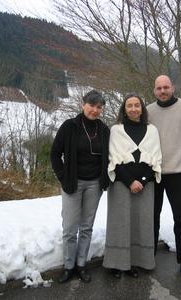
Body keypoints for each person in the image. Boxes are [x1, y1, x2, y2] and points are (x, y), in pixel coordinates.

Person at [50, 90, 110, 283]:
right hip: (73, 183)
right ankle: (68, 266)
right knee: (69, 228)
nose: (94, 110)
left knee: (86, 227)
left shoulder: (103, 130)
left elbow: (110, 156)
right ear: (83, 104)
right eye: (91, 105)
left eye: (98, 107)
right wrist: (63, 176)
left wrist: (105, 179)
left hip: (95, 184)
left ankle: (81, 264)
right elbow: (55, 154)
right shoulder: (70, 126)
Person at [147, 75, 181, 278]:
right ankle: (149, 257)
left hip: (178, 172)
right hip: (155, 173)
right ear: (154, 90)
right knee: (152, 218)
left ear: (173, 87)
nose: (163, 91)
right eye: (159, 88)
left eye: (166, 87)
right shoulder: (149, 111)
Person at [103, 93, 162, 279]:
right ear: (124, 109)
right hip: (121, 184)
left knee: (140, 224)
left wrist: (143, 181)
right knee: (120, 224)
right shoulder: (116, 130)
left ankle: (133, 263)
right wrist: (130, 181)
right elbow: (113, 160)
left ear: (142, 108)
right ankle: (115, 263)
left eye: (137, 105)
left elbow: (156, 160)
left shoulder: (152, 130)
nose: (134, 109)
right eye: (130, 105)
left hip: (145, 186)